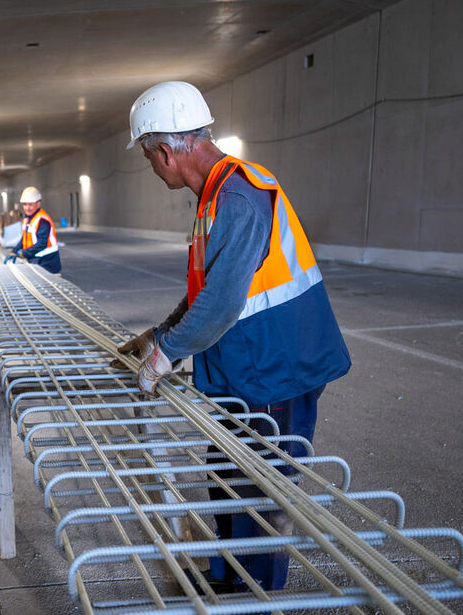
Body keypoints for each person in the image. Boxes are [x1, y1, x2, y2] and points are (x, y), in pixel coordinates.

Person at [115, 80, 351, 593]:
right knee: (228, 479)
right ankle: (225, 581)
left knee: (260, 494)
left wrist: (167, 354)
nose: (153, 170)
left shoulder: (238, 198)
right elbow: (210, 288)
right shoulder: (217, 195)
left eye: (149, 159)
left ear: (164, 151)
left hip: (276, 371)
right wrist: (162, 333)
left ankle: (253, 597)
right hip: (247, 367)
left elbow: (221, 305)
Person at [8, 186, 61, 274]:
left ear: (38, 204)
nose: (27, 208)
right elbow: (24, 239)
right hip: (35, 258)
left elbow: (42, 243)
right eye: (25, 204)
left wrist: (24, 253)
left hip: (47, 261)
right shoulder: (27, 219)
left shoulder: (42, 220)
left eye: (30, 204)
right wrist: (14, 251)